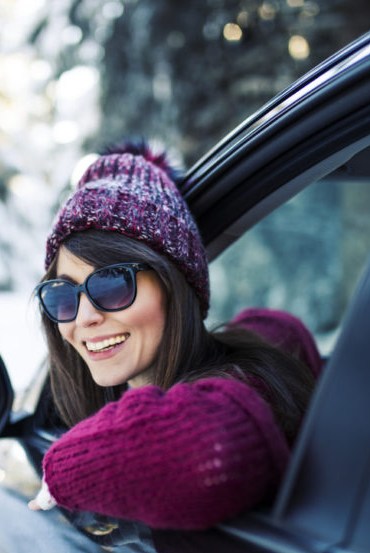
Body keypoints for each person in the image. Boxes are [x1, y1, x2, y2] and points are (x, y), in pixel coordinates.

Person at [28, 141, 322, 530]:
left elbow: (203, 446)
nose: (84, 318)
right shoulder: (263, 346)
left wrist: (62, 467)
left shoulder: (246, 388)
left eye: (114, 284)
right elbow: (277, 330)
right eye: (63, 296)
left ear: (175, 285)